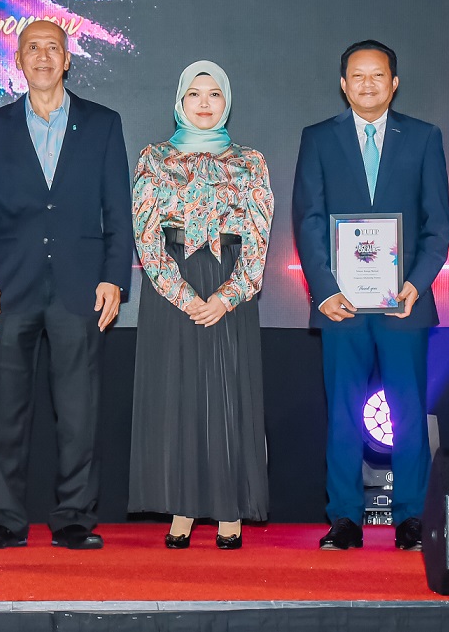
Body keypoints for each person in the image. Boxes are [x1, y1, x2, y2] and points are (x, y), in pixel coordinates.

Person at [0, 20, 134, 551]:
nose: (42, 56)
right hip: (9, 288)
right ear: (18, 61)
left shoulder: (103, 124)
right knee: (5, 413)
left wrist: (114, 278)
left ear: (67, 59)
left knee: (79, 413)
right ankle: (5, 521)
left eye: (52, 48)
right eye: (32, 48)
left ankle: (75, 518)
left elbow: (118, 211)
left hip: (80, 287)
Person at [292, 41, 449, 553]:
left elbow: (437, 224)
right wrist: (324, 290)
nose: (367, 84)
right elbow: (308, 220)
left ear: (394, 83)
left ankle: (411, 518)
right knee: (343, 413)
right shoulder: (318, 138)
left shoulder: (424, 137)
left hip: (404, 302)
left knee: (408, 413)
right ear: (343, 84)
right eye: (357, 76)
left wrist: (417, 283)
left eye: (377, 75)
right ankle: (344, 518)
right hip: (341, 305)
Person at [127, 61, 272, 549]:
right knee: (178, 396)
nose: (204, 103)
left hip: (230, 287)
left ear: (226, 101)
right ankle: (182, 506)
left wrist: (227, 296)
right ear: (180, 101)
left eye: (214, 94)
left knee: (227, 395)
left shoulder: (250, 161)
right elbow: (146, 235)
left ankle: (230, 508)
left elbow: (259, 236)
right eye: (194, 93)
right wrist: (186, 295)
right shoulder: (154, 158)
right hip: (172, 289)